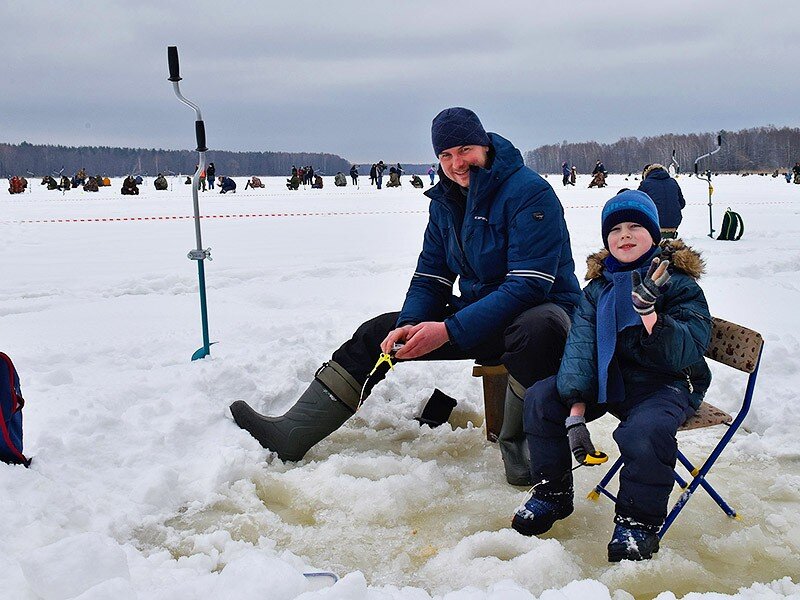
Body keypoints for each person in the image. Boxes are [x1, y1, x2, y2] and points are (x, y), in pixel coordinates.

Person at [230, 107, 581, 485]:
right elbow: (431, 275)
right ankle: (292, 434)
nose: (456, 163)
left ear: (485, 146)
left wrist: (448, 330)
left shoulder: (529, 193)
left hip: (546, 315)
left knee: (537, 329)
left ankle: (525, 454)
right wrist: (412, 323)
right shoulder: (446, 201)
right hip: (482, 316)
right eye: (445, 155)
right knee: (376, 332)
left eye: (464, 150)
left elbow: (529, 285)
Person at [511, 190, 712, 562]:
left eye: (636, 226)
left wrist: (650, 313)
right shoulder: (598, 287)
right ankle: (553, 493)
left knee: (644, 431)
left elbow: (685, 350)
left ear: (654, 235)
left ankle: (638, 522)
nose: (625, 235)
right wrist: (574, 413)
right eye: (616, 229)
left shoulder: (680, 285)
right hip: (609, 381)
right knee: (541, 398)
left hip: (665, 384)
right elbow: (581, 349)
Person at [638, 163, 686, 239]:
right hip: (674, 223)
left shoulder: (645, 184)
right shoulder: (673, 182)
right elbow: (682, 204)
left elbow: (637, 204)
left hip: (654, 224)